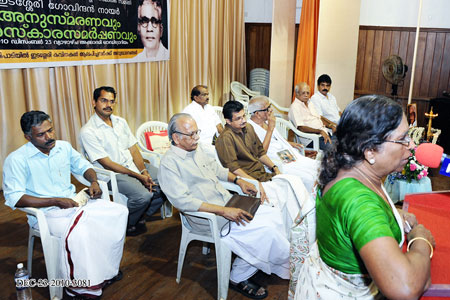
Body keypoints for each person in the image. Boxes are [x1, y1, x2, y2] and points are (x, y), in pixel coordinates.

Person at [291, 95, 435, 300]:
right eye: (403, 139)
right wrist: (421, 240)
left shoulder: (347, 165)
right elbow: (405, 288)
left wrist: (393, 214)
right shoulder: (359, 201)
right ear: (369, 151)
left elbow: (345, 217)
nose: (411, 145)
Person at [158, 113, 291, 299]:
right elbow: (182, 201)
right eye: (191, 134)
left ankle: (256, 261)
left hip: (227, 204)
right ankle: (238, 276)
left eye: (197, 132)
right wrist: (223, 211)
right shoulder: (169, 163)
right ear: (175, 138)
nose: (196, 137)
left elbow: (219, 170)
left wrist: (238, 180)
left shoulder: (197, 149)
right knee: (265, 231)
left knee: (273, 214)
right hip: (206, 218)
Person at [2, 111, 128, 299]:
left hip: (74, 204)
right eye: (41, 134)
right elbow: (15, 197)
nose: (49, 137)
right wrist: (55, 201)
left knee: (118, 212)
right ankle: (79, 287)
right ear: (28, 137)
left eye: (50, 130)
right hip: (46, 214)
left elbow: (84, 167)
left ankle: (105, 271)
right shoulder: (17, 159)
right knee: (83, 233)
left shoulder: (63, 147)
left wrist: (93, 182)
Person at [215, 101, 311, 236]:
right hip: (250, 179)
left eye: (244, 116)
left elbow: (260, 152)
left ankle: (300, 228)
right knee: (282, 193)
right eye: (238, 118)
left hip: (262, 174)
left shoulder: (248, 128)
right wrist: (255, 183)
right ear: (228, 121)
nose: (243, 120)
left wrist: (274, 167)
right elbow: (233, 168)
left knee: (293, 182)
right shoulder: (226, 138)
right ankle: (286, 234)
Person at [79, 86, 163, 236]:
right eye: (104, 100)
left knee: (166, 180)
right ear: (94, 102)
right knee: (143, 196)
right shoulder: (88, 131)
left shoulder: (120, 122)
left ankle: (140, 215)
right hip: (111, 174)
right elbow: (107, 163)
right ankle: (126, 223)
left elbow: (133, 149)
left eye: (112, 101)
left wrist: (143, 170)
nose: (108, 105)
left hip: (132, 167)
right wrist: (139, 176)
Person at [248, 96, 319, 192]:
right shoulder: (250, 128)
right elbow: (261, 153)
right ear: (257, 113)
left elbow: (276, 139)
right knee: (309, 177)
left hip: (288, 154)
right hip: (277, 162)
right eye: (267, 108)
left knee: (319, 166)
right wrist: (270, 129)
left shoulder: (265, 122)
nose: (271, 110)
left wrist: (290, 143)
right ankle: (310, 203)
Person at [288, 82, 335, 150]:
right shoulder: (294, 107)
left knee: (345, 143)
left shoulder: (310, 103)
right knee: (334, 149)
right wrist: (319, 131)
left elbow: (319, 118)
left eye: (308, 93)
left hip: (324, 133)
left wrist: (331, 125)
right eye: (303, 93)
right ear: (297, 94)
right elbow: (300, 127)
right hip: (312, 139)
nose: (306, 95)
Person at [182, 85, 224, 157]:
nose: (207, 97)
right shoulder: (188, 111)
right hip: (199, 146)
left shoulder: (210, 108)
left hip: (215, 142)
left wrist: (226, 138)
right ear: (196, 97)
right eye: (204, 95)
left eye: (207, 94)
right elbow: (186, 133)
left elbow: (218, 125)